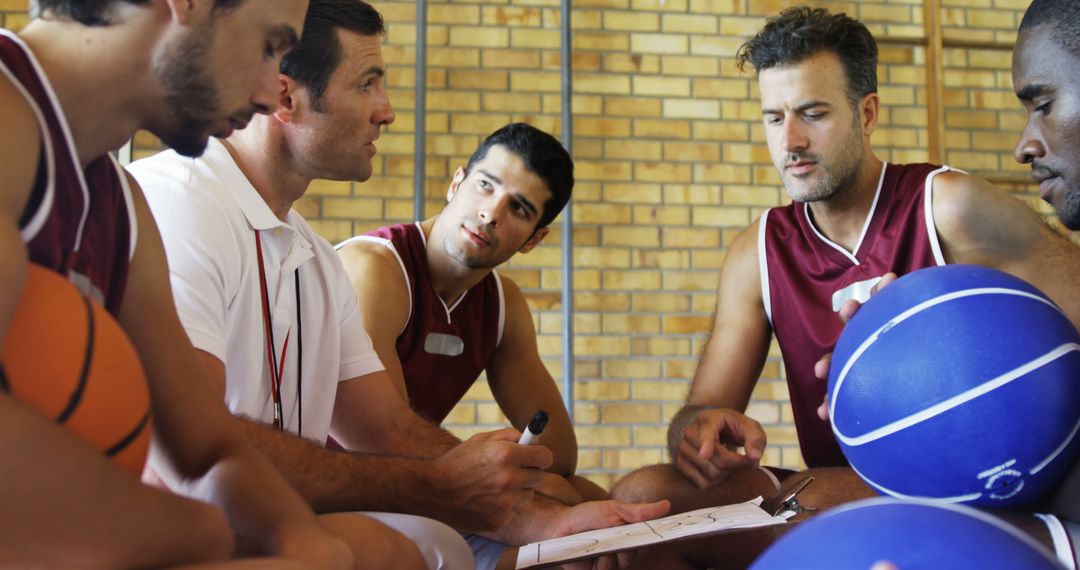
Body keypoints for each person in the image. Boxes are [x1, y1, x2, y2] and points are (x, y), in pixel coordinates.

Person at [128, 3, 668, 569]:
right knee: (407, 551)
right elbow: (191, 447)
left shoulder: (313, 258)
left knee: (479, 549)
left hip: (268, 522)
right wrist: (439, 485)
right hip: (170, 532)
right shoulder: (178, 205)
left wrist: (553, 523)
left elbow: (384, 427)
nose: (386, 112)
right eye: (368, 84)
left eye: (519, 210)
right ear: (286, 98)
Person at [610, 4, 1080, 520]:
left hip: (963, 481)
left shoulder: (948, 206)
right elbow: (702, 410)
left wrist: (929, 354)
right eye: (774, 117)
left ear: (868, 113)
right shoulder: (757, 252)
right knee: (643, 498)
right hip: (847, 489)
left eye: (813, 113)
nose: (791, 141)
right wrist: (697, 433)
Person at [0, 0, 423, 568]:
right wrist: (207, 533)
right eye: (270, 45)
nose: (267, 92)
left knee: (372, 554)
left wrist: (296, 538)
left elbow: (207, 449)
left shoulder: (121, 205)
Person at [335, 122, 606, 505]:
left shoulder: (502, 304)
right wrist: (497, 471)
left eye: (519, 208)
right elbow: (381, 439)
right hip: (333, 483)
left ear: (534, 239)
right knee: (557, 510)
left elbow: (559, 452)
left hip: (410, 482)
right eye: (485, 185)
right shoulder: (373, 267)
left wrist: (523, 476)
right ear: (456, 183)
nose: (491, 213)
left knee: (588, 498)